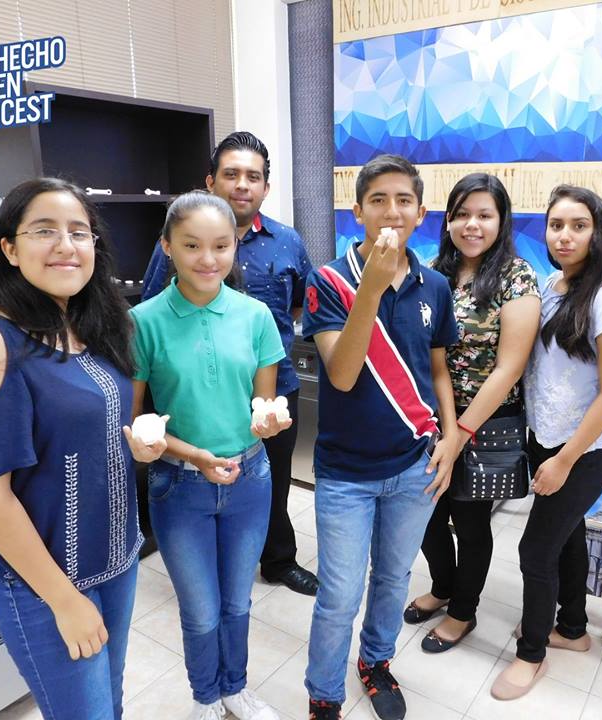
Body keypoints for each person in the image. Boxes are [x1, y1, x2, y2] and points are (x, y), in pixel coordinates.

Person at [0, 178, 162, 719]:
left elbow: (87, 430)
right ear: (10, 249)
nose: (66, 245)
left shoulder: (93, 326)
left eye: (79, 232)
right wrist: (64, 599)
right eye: (45, 231)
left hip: (115, 559)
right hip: (44, 583)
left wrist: (136, 449)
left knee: (110, 704)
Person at [302, 154, 460, 720]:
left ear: (421, 212)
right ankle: (324, 693)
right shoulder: (328, 281)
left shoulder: (433, 284)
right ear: (357, 212)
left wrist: (450, 438)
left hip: (414, 466)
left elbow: (437, 369)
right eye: (378, 200)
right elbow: (343, 375)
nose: (391, 211)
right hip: (346, 474)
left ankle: (375, 663)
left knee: (393, 579)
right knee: (340, 594)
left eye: (403, 201)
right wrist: (368, 289)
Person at [129, 191, 290, 720]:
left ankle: (234, 689)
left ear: (235, 246)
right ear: (167, 247)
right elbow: (137, 419)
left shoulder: (256, 315)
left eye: (221, 245)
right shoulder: (143, 321)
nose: (208, 258)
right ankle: (205, 697)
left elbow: (263, 404)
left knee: (238, 602)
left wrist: (268, 421)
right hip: (179, 485)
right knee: (200, 611)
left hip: (249, 476)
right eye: (192, 245)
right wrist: (193, 455)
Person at [141, 131, 317, 596]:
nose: (242, 184)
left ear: (266, 187)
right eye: (231, 174)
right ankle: (205, 567)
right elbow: (152, 305)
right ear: (211, 181)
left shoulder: (287, 241)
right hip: (194, 391)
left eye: (253, 177)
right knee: (198, 480)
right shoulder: (180, 238)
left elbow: (298, 305)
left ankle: (277, 560)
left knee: (269, 481)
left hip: (272, 386)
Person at [491, 185, 602, 700]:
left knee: (535, 550)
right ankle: (572, 627)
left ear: (598, 233)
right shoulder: (551, 285)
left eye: (579, 225)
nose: (565, 236)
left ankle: (531, 654)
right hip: (545, 437)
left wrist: (564, 461)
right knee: (567, 535)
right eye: (556, 225)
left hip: (585, 449)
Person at [405, 173, 540, 652]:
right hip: (431, 417)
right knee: (425, 512)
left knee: (470, 520)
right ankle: (443, 586)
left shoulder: (516, 277)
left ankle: (463, 612)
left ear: (501, 221)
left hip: (484, 422)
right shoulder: (434, 272)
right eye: (462, 214)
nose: (472, 224)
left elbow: (510, 367)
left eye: (484, 214)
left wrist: (459, 432)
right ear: (447, 220)